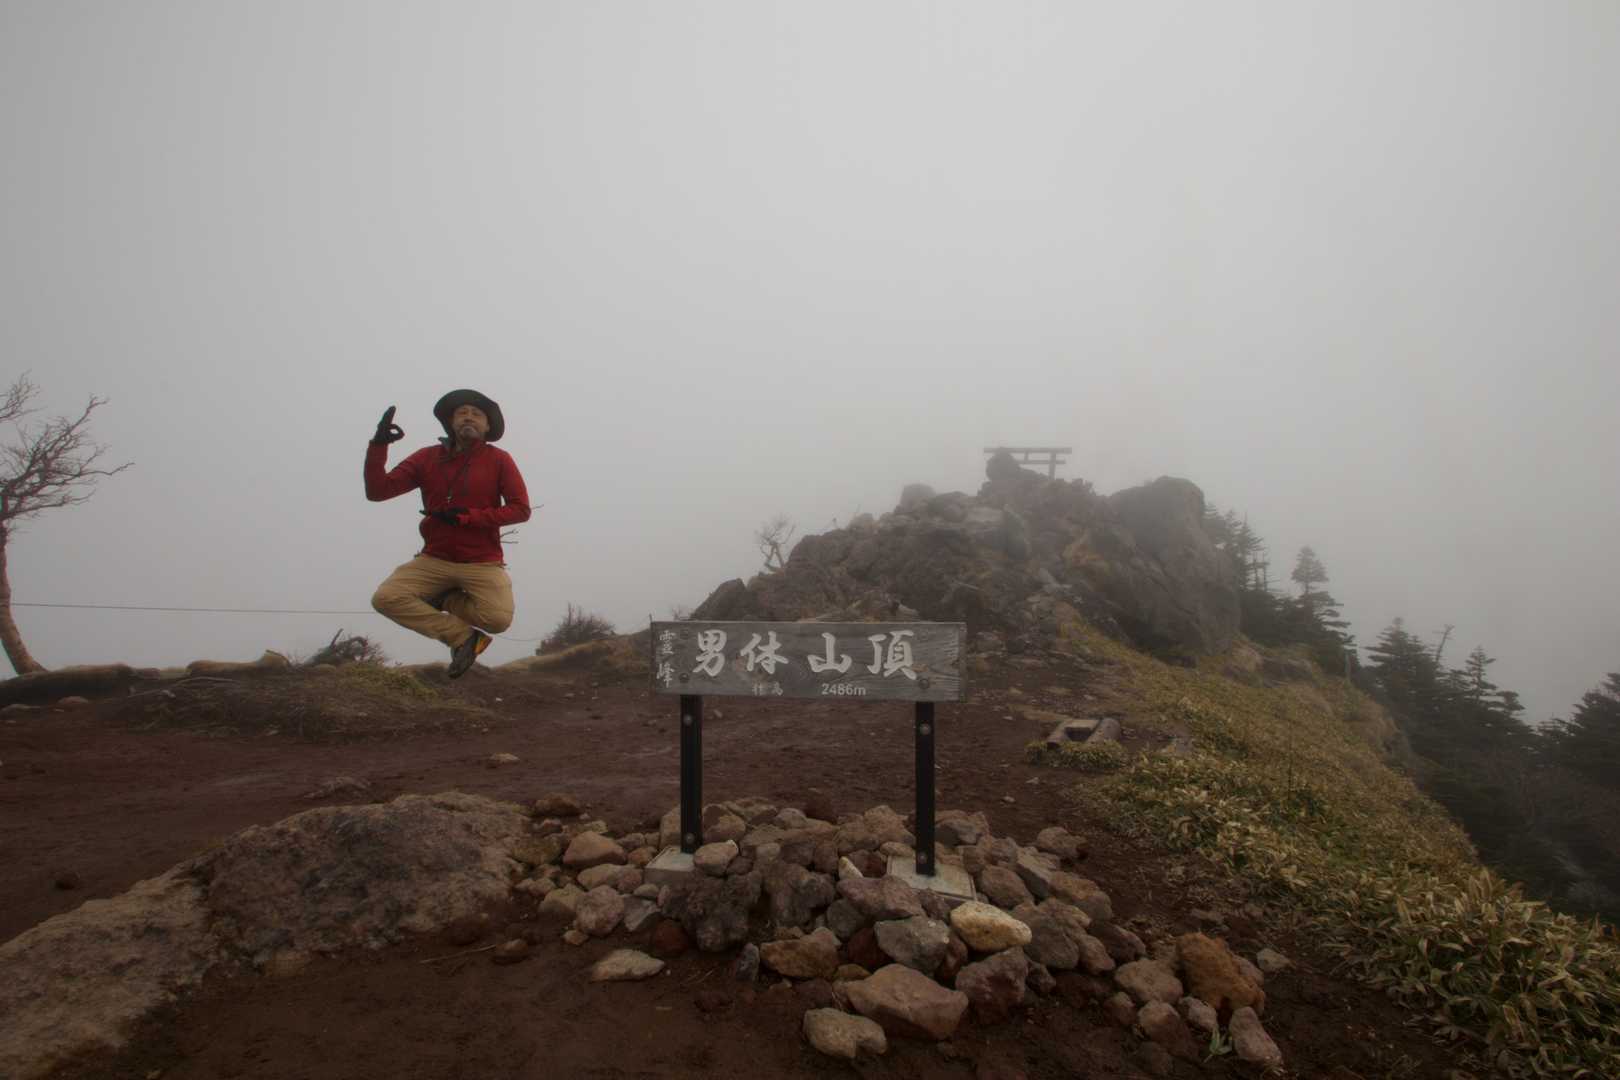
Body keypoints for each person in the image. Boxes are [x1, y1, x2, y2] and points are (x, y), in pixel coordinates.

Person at [364, 389, 531, 677]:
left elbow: (520, 510)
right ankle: (463, 638)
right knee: (386, 598)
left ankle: (445, 599)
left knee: (498, 620)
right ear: (451, 422)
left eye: (477, 414)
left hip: (481, 561)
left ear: (487, 427)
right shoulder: (427, 457)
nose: (469, 417)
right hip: (435, 558)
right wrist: (379, 445)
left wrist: (468, 517)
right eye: (461, 413)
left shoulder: (499, 459)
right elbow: (378, 491)